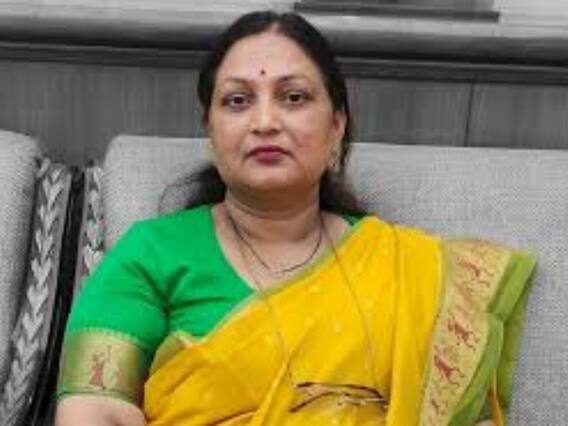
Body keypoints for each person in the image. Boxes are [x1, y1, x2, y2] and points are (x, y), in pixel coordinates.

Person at [55, 10, 535, 426]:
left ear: (337, 125)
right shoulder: (150, 255)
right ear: (211, 130)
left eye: (294, 97)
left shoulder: (408, 269)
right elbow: (94, 411)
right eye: (238, 100)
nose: (265, 122)